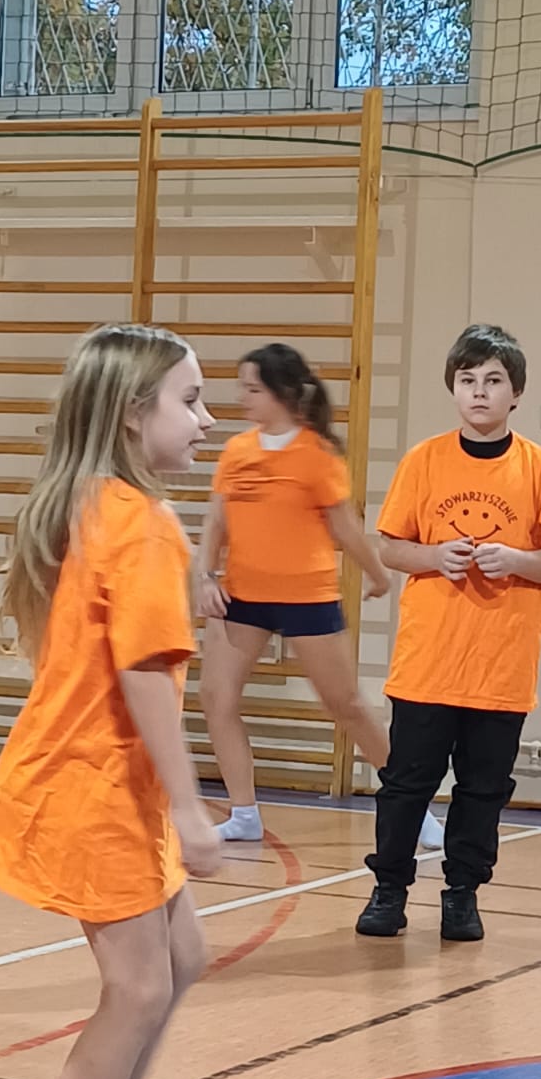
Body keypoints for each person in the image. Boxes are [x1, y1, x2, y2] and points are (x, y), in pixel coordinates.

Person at [0, 324, 222, 1079]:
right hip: (92, 787)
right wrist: (191, 808)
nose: (208, 419)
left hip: (96, 781)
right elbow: (144, 672)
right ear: (131, 415)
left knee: (182, 956)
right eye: (190, 400)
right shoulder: (142, 522)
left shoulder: (91, 501)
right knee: (139, 986)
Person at [356, 323, 541, 943]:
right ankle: (389, 889)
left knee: (483, 790)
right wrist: (434, 557)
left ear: (516, 393)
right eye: (467, 380)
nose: (479, 392)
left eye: (493, 381)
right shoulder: (423, 460)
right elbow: (391, 546)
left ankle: (462, 895)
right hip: (428, 661)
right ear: (453, 389)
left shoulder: (539, 468)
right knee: (406, 785)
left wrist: (517, 560)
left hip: (501, 665)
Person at [194, 343, 443, 849]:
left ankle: (413, 807)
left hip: (307, 597)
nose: (242, 397)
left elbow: (345, 527)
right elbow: (217, 521)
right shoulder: (237, 451)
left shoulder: (317, 455)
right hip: (243, 597)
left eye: (253, 389)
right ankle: (243, 813)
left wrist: (376, 573)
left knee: (346, 704)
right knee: (216, 697)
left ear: (283, 393)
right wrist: (204, 576)